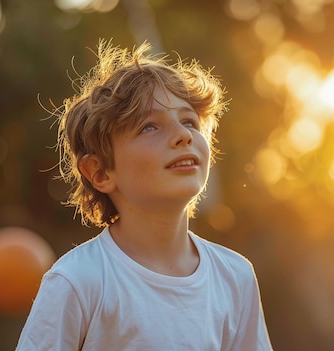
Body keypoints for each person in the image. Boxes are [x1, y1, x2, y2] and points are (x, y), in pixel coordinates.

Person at [16, 40, 273, 351]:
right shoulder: (77, 281)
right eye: (150, 127)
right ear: (100, 172)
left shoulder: (236, 278)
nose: (183, 135)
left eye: (189, 121)